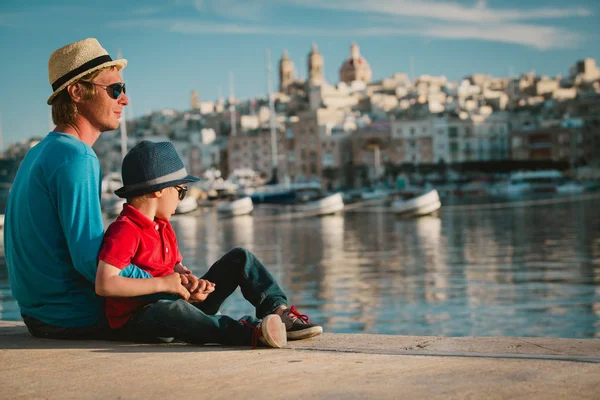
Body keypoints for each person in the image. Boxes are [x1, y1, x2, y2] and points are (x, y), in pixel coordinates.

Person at [4, 38, 164, 340]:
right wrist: (161, 280)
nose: (125, 100)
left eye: (124, 89)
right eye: (115, 90)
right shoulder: (77, 157)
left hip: (39, 315)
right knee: (213, 282)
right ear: (77, 92)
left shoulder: (38, 153)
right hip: (76, 316)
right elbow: (90, 262)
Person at [96, 140, 323, 347]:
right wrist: (165, 285)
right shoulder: (125, 229)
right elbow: (105, 284)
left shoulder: (164, 226)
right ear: (158, 191)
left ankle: (278, 313)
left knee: (240, 258)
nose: (181, 197)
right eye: (180, 191)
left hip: (179, 305)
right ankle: (251, 331)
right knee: (169, 309)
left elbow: (175, 272)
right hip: (142, 319)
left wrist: (192, 286)